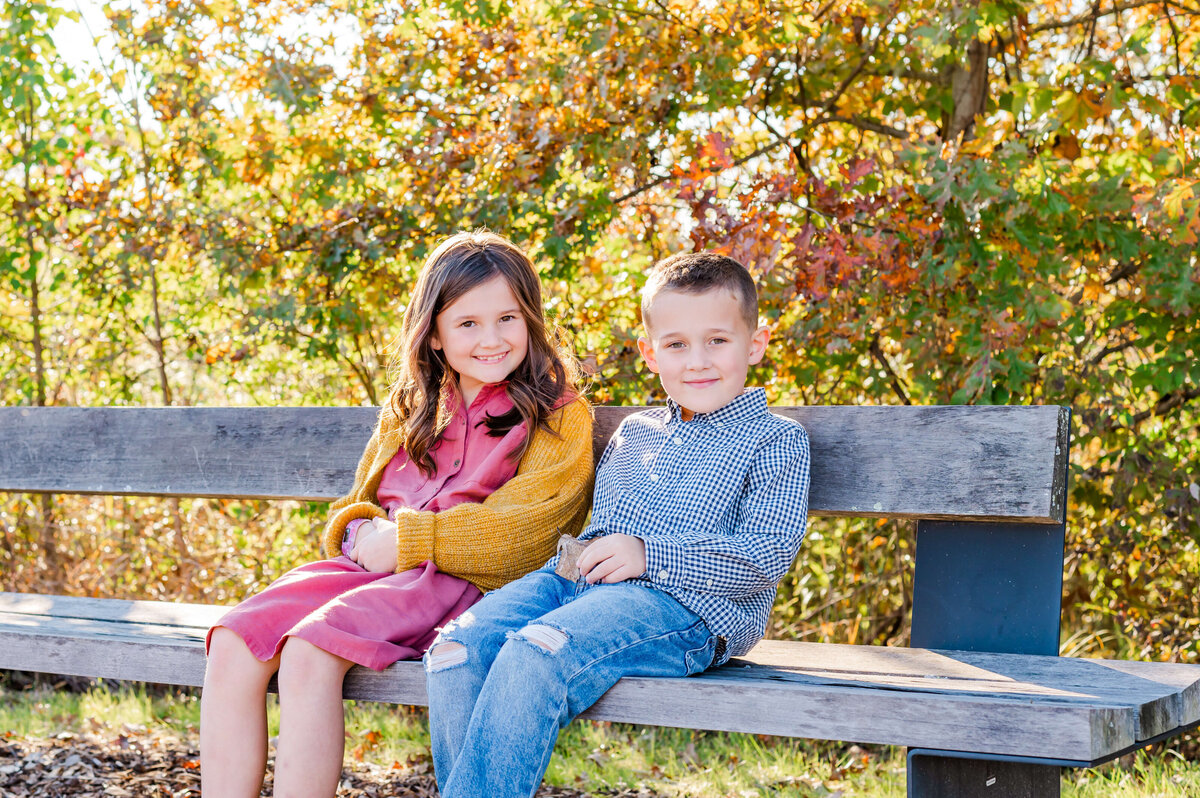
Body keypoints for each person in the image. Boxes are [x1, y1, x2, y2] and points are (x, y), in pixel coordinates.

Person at [199, 231, 594, 798]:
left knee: (312, 650)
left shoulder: (558, 415)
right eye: (467, 324)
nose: (491, 339)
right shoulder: (413, 407)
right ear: (433, 334)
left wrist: (406, 541)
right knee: (234, 638)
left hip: (460, 585)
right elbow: (359, 502)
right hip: (372, 572)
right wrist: (358, 530)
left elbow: (527, 535)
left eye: (508, 318)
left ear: (531, 320)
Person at [424, 251, 811, 797]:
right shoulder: (636, 432)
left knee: (537, 653)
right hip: (574, 589)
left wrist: (651, 555)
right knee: (455, 650)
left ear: (755, 343)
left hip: (685, 610)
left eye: (717, 341)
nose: (697, 361)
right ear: (650, 354)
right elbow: (596, 535)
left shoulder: (774, 439)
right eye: (676, 344)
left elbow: (766, 556)